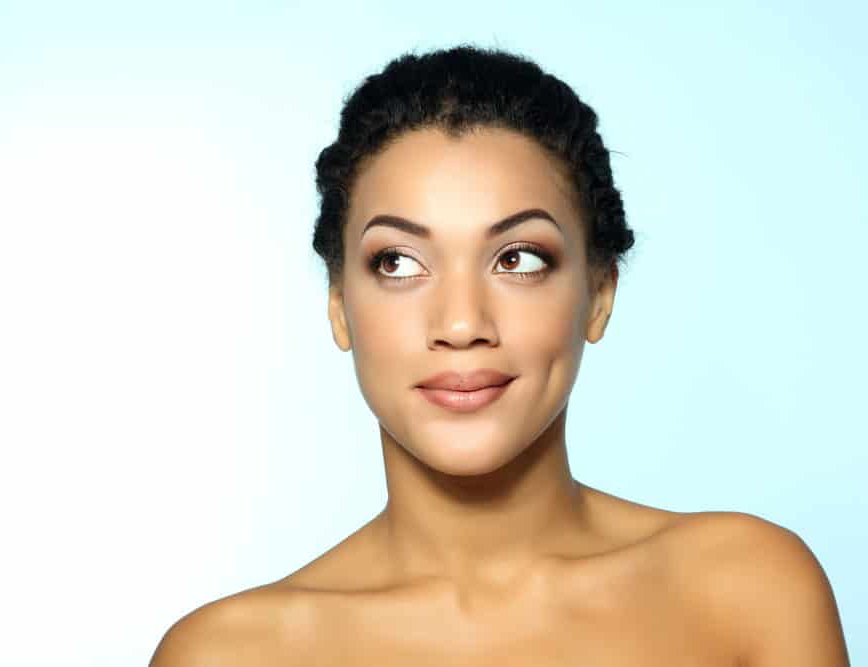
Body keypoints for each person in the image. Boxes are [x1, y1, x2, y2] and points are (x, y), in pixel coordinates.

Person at [150, 44, 849, 665]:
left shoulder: (749, 591)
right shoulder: (226, 653)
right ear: (339, 303)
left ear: (599, 293)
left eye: (517, 258)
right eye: (397, 262)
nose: (461, 323)